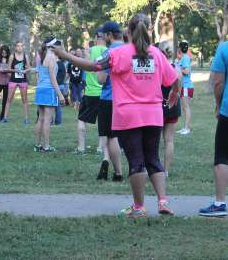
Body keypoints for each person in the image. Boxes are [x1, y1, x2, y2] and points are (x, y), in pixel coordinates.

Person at [53, 13, 180, 218]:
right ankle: (163, 201)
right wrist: (174, 93)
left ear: (127, 32)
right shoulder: (156, 54)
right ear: (146, 30)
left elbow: (93, 67)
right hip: (153, 115)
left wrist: (65, 55)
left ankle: (139, 208)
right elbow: (175, 78)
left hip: (128, 115)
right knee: (153, 158)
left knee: (137, 161)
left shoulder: (119, 54)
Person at [199, 41, 228, 217]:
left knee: (222, 156)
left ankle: (219, 202)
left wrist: (218, 105)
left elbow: (218, 82)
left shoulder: (224, 48)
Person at [95, 22, 123, 182]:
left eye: (103, 35)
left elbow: (101, 79)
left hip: (109, 98)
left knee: (111, 137)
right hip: (126, 99)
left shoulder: (108, 53)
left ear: (109, 35)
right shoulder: (129, 50)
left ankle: (118, 172)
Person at [76, 30, 106, 154]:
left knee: (81, 120)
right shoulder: (108, 51)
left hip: (90, 92)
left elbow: (84, 67)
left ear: (95, 37)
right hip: (104, 93)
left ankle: (81, 147)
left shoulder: (88, 51)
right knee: (103, 122)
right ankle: (100, 148)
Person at [34, 37, 65, 152]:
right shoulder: (52, 58)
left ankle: (37, 145)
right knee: (48, 120)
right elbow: (53, 80)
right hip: (49, 90)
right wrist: (60, 95)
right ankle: (46, 146)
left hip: (40, 89)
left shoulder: (42, 57)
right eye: (57, 45)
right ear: (52, 46)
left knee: (40, 119)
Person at [160, 46, 182, 177]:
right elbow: (179, 87)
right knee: (169, 140)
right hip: (173, 106)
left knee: (153, 140)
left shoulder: (158, 67)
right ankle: (166, 171)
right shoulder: (176, 68)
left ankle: (154, 169)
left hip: (159, 106)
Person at [2, 41, 31, 124]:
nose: (19, 48)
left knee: (24, 99)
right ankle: (5, 118)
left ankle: (26, 119)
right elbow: (8, 68)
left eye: (21, 46)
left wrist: (25, 71)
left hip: (23, 80)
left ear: (23, 47)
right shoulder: (12, 56)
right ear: (15, 47)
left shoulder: (26, 56)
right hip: (13, 80)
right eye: (18, 46)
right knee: (9, 99)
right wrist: (15, 70)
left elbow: (29, 68)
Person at [176, 40, 194, 135]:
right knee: (185, 107)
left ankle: (187, 128)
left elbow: (186, 71)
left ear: (179, 48)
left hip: (187, 86)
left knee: (186, 107)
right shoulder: (184, 57)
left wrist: (177, 68)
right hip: (185, 86)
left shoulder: (185, 58)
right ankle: (185, 128)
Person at [0, 45, 11, 121]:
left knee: (5, 100)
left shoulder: (10, 60)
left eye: (5, 53)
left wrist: (7, 71)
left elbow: (11, 70)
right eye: (2, 53)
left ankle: (2, 117)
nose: (4, 54)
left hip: (7, 82)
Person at [54, 57, 67, 125]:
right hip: (61, 85)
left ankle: (53, 121)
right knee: (58, 106)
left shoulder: (54, 64)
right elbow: (65, 74)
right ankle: (58, 121)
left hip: (56, 86)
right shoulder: (63, 64)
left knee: (51, 105)